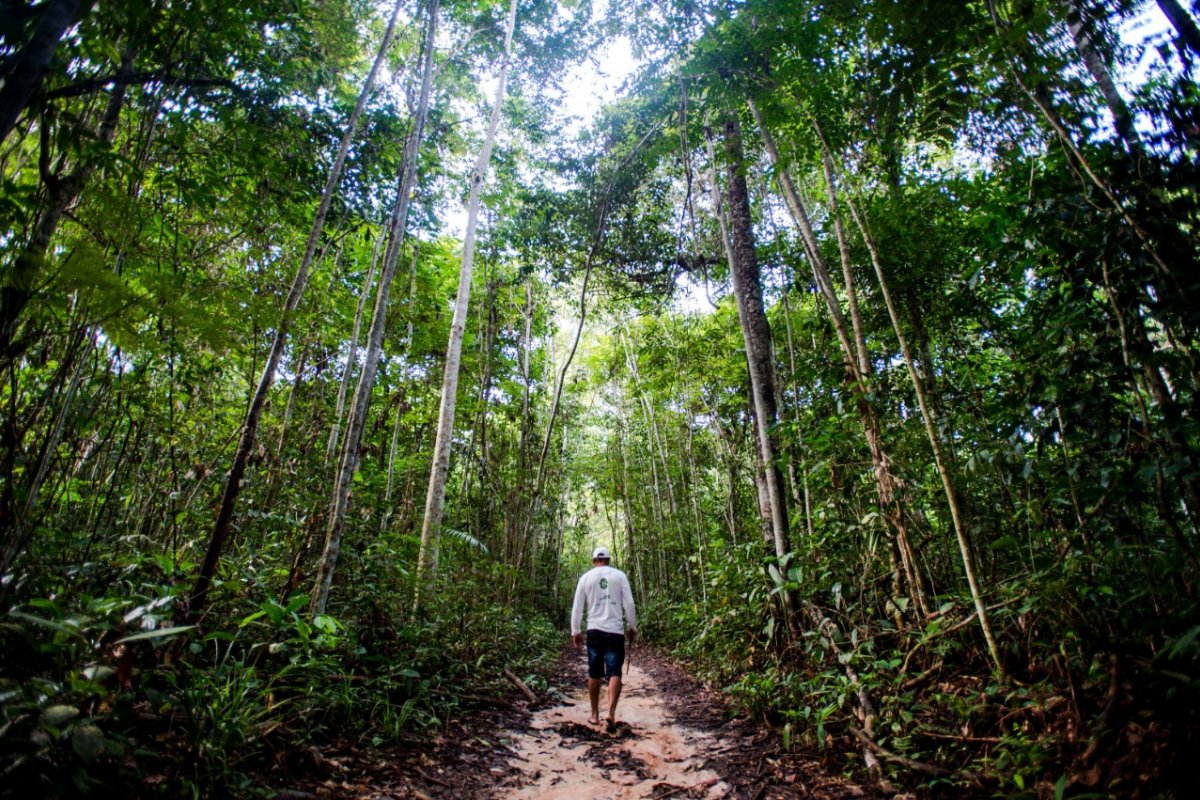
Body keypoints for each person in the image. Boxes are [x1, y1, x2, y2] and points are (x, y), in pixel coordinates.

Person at [570, 546, 637, 732]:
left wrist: (575, 631)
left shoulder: (586, 578)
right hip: (615, 631)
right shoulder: (619, 576)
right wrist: (632, 627)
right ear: (609, 560)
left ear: (594, 561)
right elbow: (629, 604)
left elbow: (578, 606)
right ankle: (611, 713)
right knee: (614, 672)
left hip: (594, 630)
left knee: (594, 672)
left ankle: (594, 714)